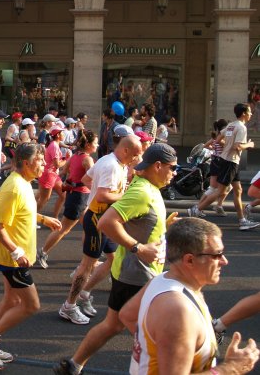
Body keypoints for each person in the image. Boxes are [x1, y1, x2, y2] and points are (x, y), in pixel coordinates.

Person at [54, 143, 177, 375]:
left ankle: (74, 364)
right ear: (158, 166)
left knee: (113, 325)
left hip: (135, 271)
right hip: (137, 274)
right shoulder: (141, 192)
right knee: (155, 332)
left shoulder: (149, 187)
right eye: (172, 167)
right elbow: (106, 222)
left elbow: (136, 221)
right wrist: (138, 248)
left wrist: (164, 226)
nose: (174, 172)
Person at [120, 218, 259, 374]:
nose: (224, 261)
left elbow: (127, 315)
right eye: (217, 255)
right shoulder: (179, 311)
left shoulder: (161, 280)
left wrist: (164, 349)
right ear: (190, 260)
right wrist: (231, 368)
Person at [0, 144, 61, 370]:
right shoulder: (14, 187)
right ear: (27, 163)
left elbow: (22, 211)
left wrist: (43, 219)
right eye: (40, 161)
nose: (43, 164)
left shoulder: (22, 184)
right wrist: (16, 251)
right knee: (32, 305)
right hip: (13, 259)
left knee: (11, 300)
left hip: (14, 256)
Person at [56, 134, 142, 327]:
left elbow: (87, 179)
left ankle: (85, 292)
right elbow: (103, 196)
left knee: (113, 259)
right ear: (126, 150)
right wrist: (125, 196)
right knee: (87, 265)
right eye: (135, 154)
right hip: (97, 219)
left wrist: (97, 193)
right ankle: (69, 306)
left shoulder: (110, 160)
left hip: (105, 218)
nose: (136, 159)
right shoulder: (111, 166)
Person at [189, 103, 259, 230]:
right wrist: (249, 145)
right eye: (249, 112)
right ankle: (196, 209)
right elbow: (237, 146)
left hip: (229, 161)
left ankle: (242, 221)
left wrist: (227, 144)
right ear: (243, 113)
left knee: (238, 190)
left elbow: (218, 139)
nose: (251, 114)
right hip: (230, 161)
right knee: (221, 191)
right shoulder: (242, 128)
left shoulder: (231, 125)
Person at [36, 129, 97, 269]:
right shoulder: (87, 159)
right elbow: (92, 178)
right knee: (63, 228)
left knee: (89, 227)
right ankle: (43, 251)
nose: (97, 145)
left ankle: (89, 259)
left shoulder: (75, 156)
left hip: (78, 196)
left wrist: (70, 180)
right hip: (79, 198)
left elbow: (64, 172)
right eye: (96, 143)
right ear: (88, 144)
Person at [36, 125, 68, 219]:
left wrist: (64, 158)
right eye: (62, 132)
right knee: (44, 199)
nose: (63, 134)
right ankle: (31, 219)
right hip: (48, 175)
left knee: (63, 195)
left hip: (53, 175)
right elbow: (57, 164)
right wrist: (67, 159)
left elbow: (56, 162)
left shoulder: (54, 144)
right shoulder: (54, 145)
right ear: (57, 135)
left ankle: (55, 218)